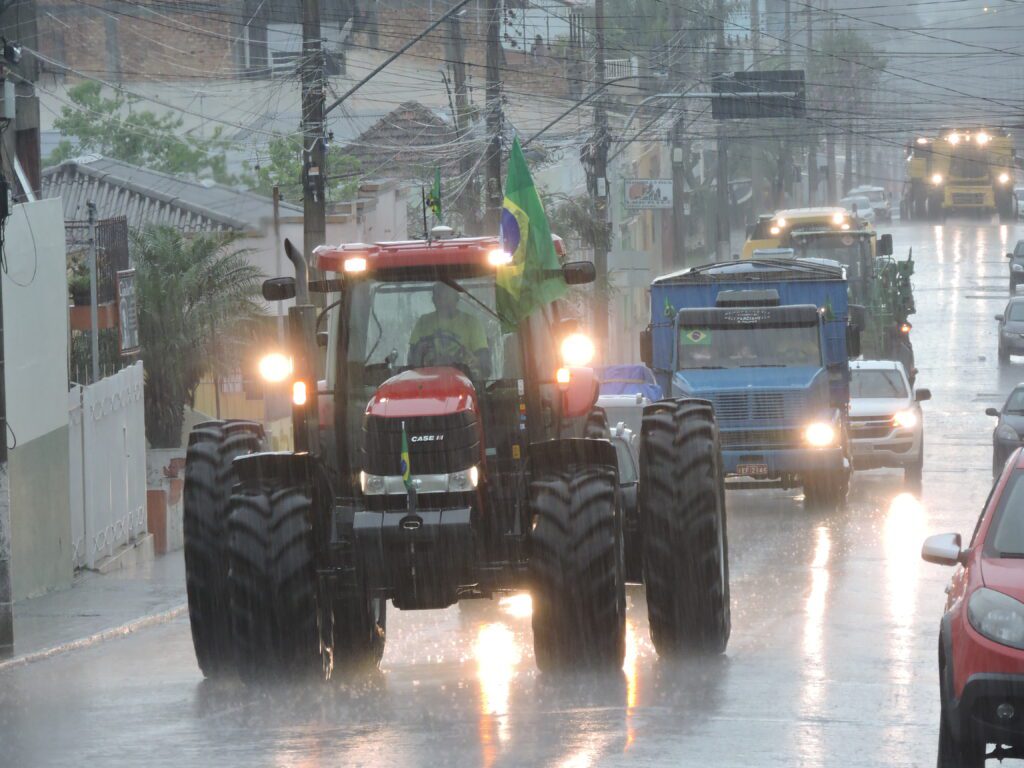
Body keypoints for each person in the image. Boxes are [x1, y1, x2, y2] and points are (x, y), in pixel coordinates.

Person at [409, 282, 491, 378]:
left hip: (465, 381)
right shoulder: (423, 322)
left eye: (447, 297)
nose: (444, 301)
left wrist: (475, 361)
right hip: (426, 383)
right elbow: (412, 359)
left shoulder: (471, 323)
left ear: (457, 298)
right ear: (434, 300)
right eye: (440, 297)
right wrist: (420, 351)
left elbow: (484, 362)